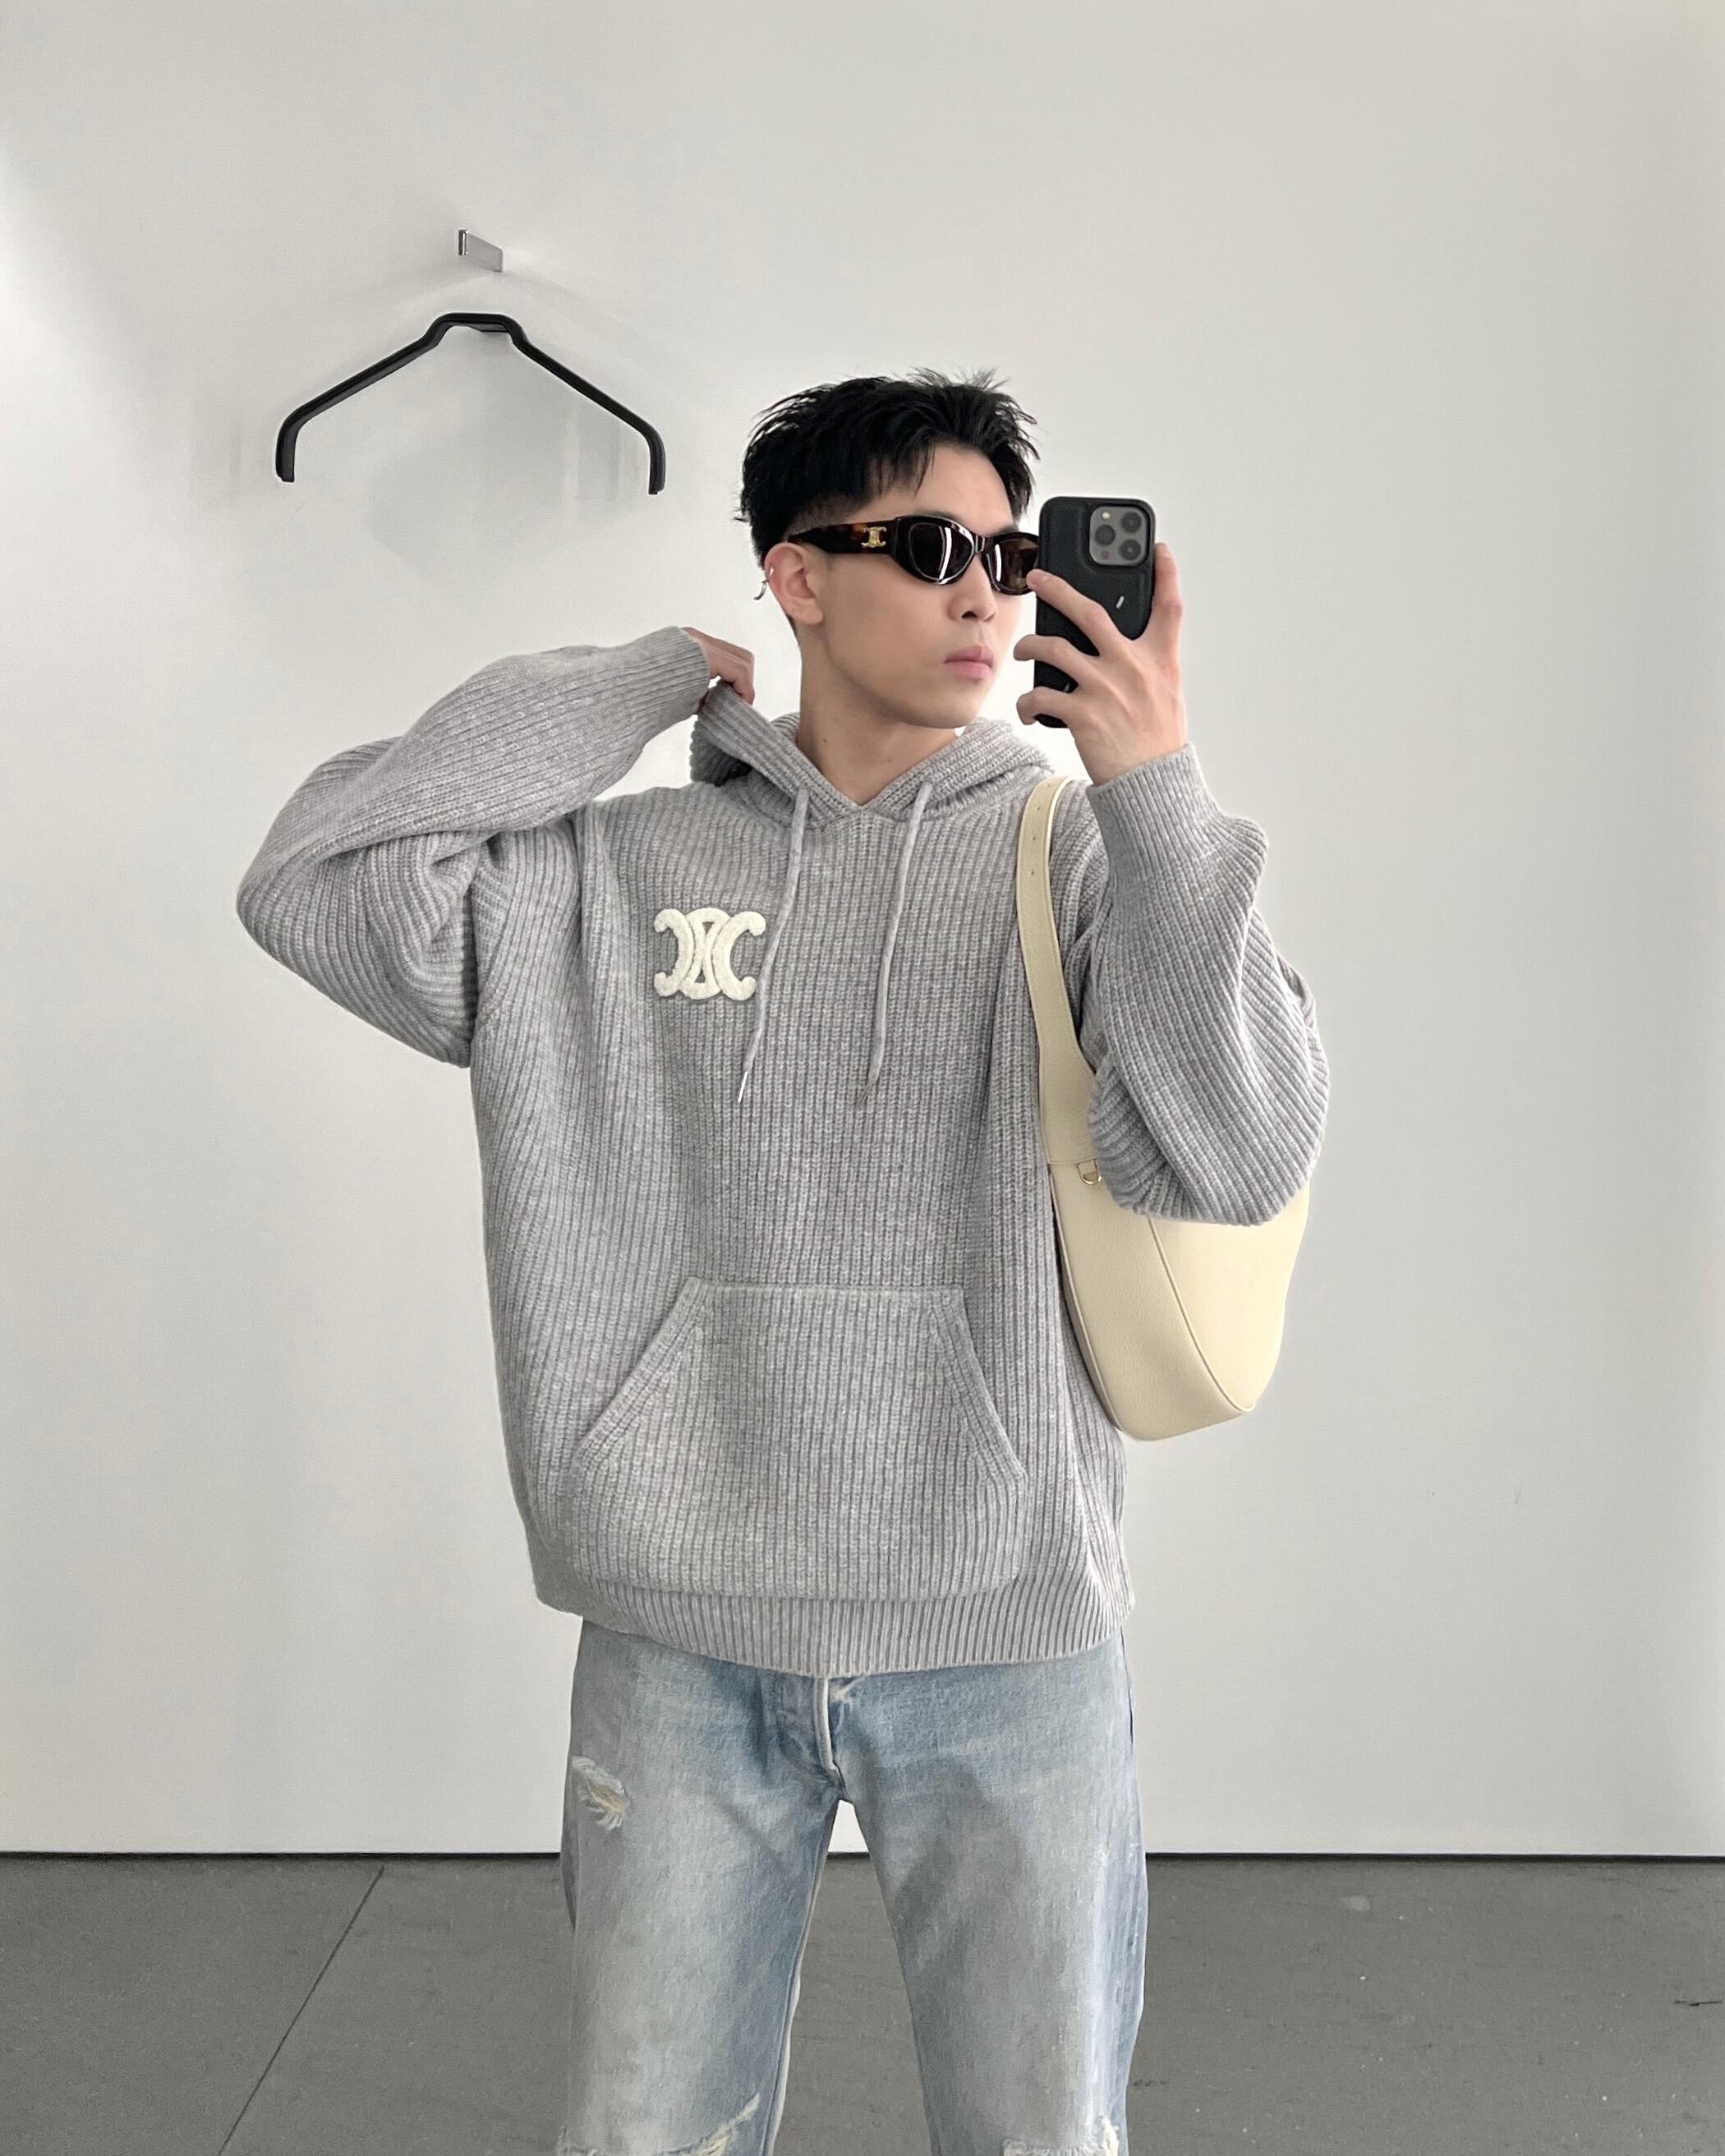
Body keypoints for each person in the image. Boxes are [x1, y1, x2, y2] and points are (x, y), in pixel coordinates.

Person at [236, 366, 1329, 2156]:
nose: (987, 593)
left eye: (1007, 555)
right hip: (680, 1626)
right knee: (643, 2134)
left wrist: (1159, 792)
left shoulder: (1078, 860)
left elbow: (1241, 1144)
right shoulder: (609, 873)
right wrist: (634, 682)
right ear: (797, 575)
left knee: (1039, 2137)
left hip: (1008, 1627)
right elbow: (312, 878)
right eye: (930, 547)